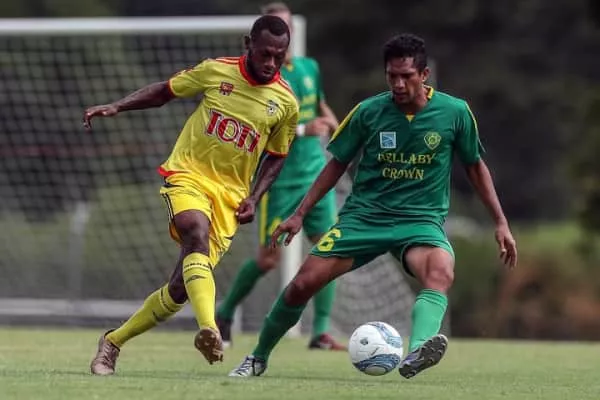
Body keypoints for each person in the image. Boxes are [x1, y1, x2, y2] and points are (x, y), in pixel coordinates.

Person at [229, 33, 517, 379]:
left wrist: (500, 222)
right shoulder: (368, 112)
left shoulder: (455, 113)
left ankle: (417, 351)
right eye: (391, 76)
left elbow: (475, 167)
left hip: (419, 221)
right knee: (302, 285)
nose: (398, 84)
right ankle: (258, 357)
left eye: (406, 76)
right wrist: (299, 214)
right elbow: (336, 164)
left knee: (440, 271)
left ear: (424, 75)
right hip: (363, 219)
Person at [84, 15, 299, 376]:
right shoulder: (216, 71)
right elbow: (165, 91)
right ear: (248, 44)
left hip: (230, 197)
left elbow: (277, 156)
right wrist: (119, 105)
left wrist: (255, 196)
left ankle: (112, 342)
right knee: (194, 231)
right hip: (189, 174)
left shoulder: (287, 102)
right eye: (265, 53)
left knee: (179, 289)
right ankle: (210, 329)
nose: (271, 63)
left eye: (279, 56)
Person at [216, 2, 345, 351]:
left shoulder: (309, 67)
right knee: (268, 260)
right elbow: (259, 127)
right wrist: (303, 130)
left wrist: (337, 124)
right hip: (279, 182)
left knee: (330, 248)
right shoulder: (259, 77)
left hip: (314, 175)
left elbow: (319, 105)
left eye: (286, 28)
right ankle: (224, 314)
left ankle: (319, 333)